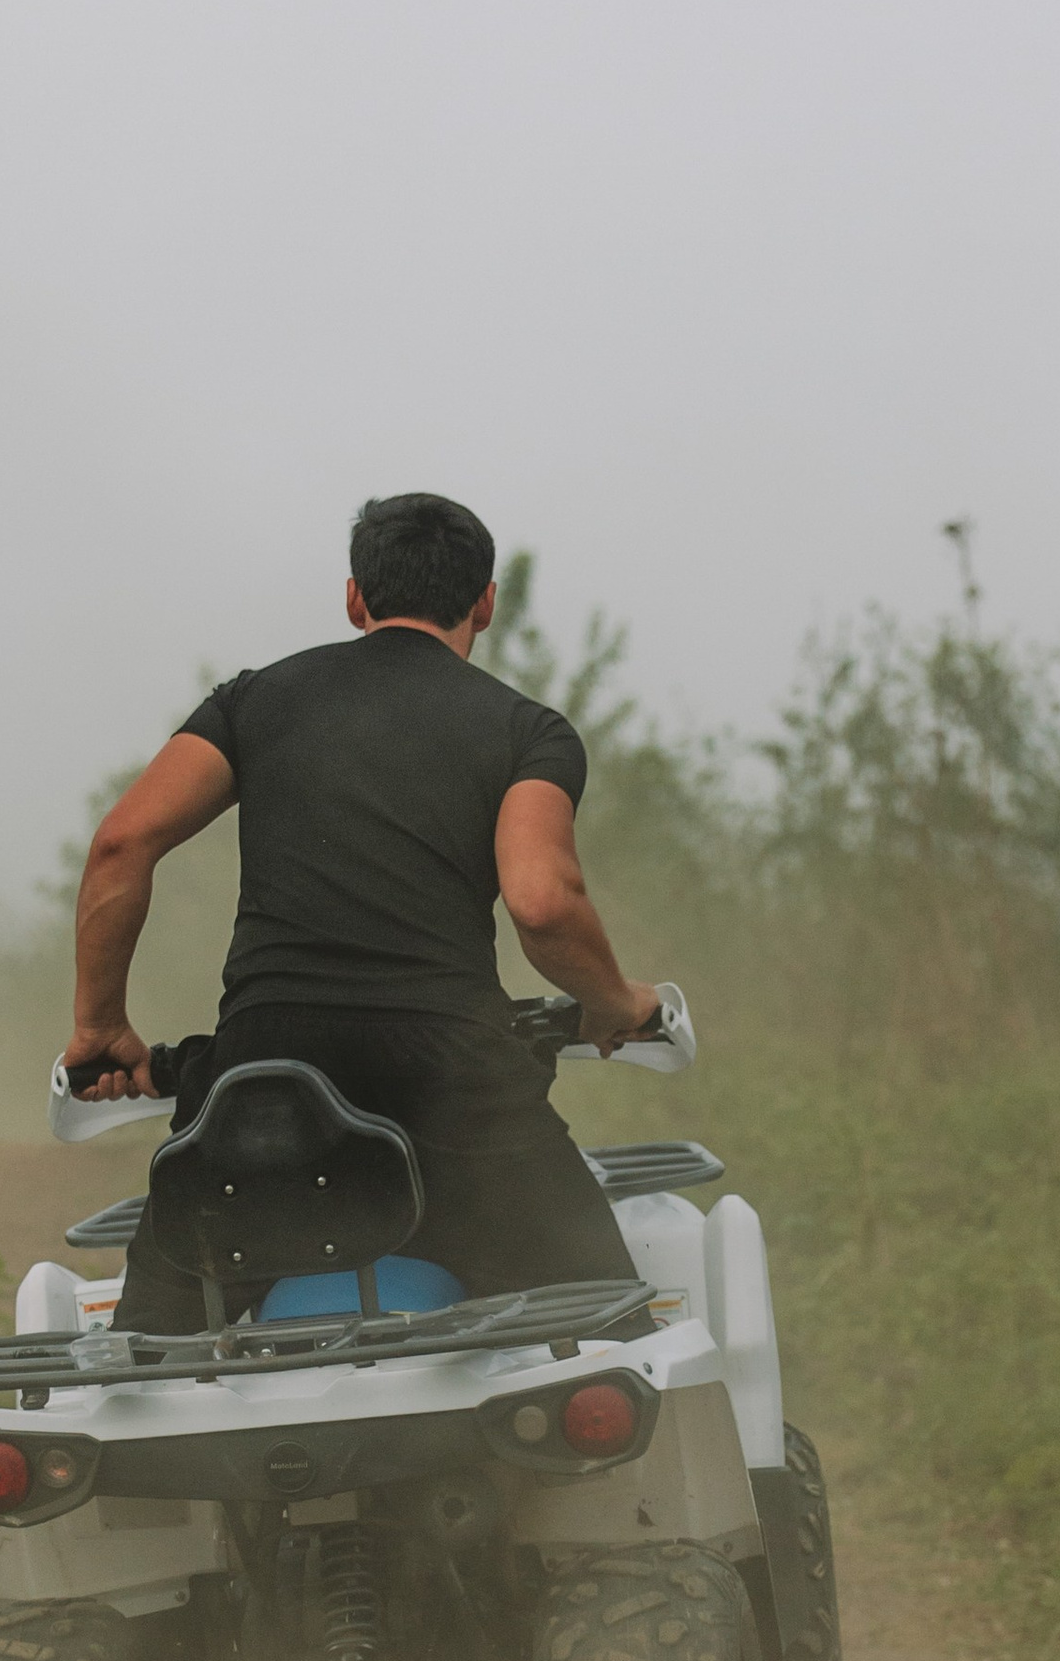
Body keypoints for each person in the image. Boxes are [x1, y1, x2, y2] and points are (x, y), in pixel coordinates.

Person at [64, 491, 662, 1331]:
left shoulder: (252, 703)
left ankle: (153, 1386)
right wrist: (613, 1002)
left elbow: (121, 846)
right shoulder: (526, 731)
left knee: (149, 1362)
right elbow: (542, 901)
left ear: (355, 598)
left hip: (261, 1069)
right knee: (605, 1337)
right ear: (485, 603)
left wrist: (100, 1027)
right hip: (453, 1074)